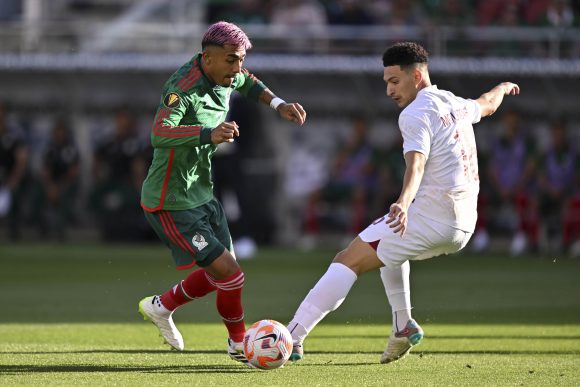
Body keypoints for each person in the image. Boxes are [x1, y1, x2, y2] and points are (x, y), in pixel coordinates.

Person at [286, 42, 519, 364]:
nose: (389, 90)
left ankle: (291, 337)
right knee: (392, 250)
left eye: (394, 81)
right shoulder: (452, 102)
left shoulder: (415, 113)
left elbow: (417, 165)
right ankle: (402, 325)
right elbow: (487, 104)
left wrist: (403, 202)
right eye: (386, 82)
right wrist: (503, 88)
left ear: (418, 75)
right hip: (464, 225)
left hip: (432, 216)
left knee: (346, 260)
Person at [138, 21, 306, 365]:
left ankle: (162, 306)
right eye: (231, 60)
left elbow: (249, 82)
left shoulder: (228, 74)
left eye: (241, 60)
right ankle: (238, 343)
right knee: (231, 274)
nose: (238, 68)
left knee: (223, 277)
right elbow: (159, 133)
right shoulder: (181, 88)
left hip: (202, 193)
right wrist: (208, 133)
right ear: (208, 58)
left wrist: (278, 105)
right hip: (170, 201)